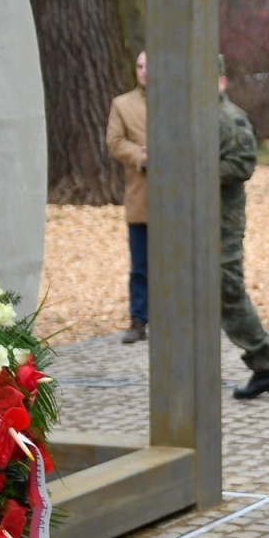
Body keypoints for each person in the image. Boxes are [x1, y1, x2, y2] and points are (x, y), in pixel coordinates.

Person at [219, 59, 269, 398]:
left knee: (227, 290)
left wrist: (196, 170)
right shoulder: (191, 116)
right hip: (193, 221)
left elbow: (243, 164)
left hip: (221, 224)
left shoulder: (230, 119)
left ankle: (264, 364)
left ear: (221, 81)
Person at [106, 51, 150, 344]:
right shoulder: (122, 105)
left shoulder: (178, 102)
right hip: (141, 195)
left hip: (177, 200)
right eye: (139, 66)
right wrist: (140, 155)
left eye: (149, 66)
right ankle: (138, 320)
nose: (144, 71)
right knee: (141, 265)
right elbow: (114, 141)